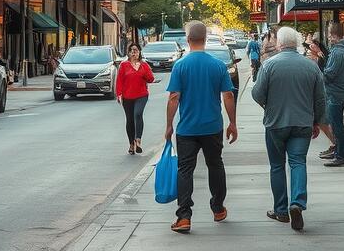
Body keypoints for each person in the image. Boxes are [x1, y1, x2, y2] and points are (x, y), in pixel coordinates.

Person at [163, 21, 238, 234]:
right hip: (212, 126)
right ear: (205, 39)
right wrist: (232, 123)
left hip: (187, 128)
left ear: (187, 40)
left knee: (185, 170)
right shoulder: (217, 65)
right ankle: (218, 208)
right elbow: (228, 95)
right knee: (215, 165)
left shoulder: (180, 65)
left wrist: (169, 125)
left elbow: (174, 98)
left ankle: (184, 217)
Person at [252, 26, 326, 231]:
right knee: (297, 162)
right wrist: (317, 121)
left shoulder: (269, 66)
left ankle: (281, 210)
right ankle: (298, 203)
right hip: (302, 123)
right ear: (296, 43)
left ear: (279, 44)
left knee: (277, 166)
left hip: (275, 123)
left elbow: (257, 94)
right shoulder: (311, 66)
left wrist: (268, 106)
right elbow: (321, 98)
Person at [320, 22, 344, 168]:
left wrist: (319, 75)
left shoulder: (337, 52)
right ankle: (339, 152)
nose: (328, 38)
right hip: (342, 91)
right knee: (336, 123)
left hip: (336, 93)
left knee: (336, 125)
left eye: (329, 34)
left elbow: (329, 74)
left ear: (335, 35)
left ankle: (342, 155)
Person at [115, 43, 154, 155]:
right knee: (130, 120)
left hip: (141, 95)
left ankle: (138, 139)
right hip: (127, 97)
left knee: (137, 114)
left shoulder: (144, 65)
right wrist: (119, 94)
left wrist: (143, 69)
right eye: (131, 50)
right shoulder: (124, 65)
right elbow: (119, 81)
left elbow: (151, 79)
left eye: (136, 50)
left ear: (139, 52)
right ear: (128, 53)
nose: (133, 52)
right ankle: (131, 144)